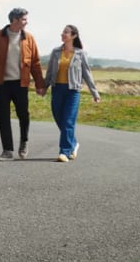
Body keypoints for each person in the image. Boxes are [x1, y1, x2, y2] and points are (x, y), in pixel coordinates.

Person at [0, 7, 44, 160]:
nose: (26, 22)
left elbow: (35, 63)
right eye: (24, 19)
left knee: (23, 114)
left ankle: (24, 141)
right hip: (2, 84)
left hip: (21, 84)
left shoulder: (29, 38)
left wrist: (39, 84)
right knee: (3, 116)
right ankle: (7, 150)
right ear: (14, 20)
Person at [43, 24, 101, 163]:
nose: (62, 34)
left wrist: (95, 93)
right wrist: (44, 87)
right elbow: (50, 71)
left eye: (66, 32)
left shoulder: (80, 53)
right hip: (57, 89)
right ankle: (73, 143)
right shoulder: (56, 51)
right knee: (59, 119)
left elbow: (87, 74)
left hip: (73, 91)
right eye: (63, 32)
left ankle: (64, 151)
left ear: (73, 36)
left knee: (68, 121)